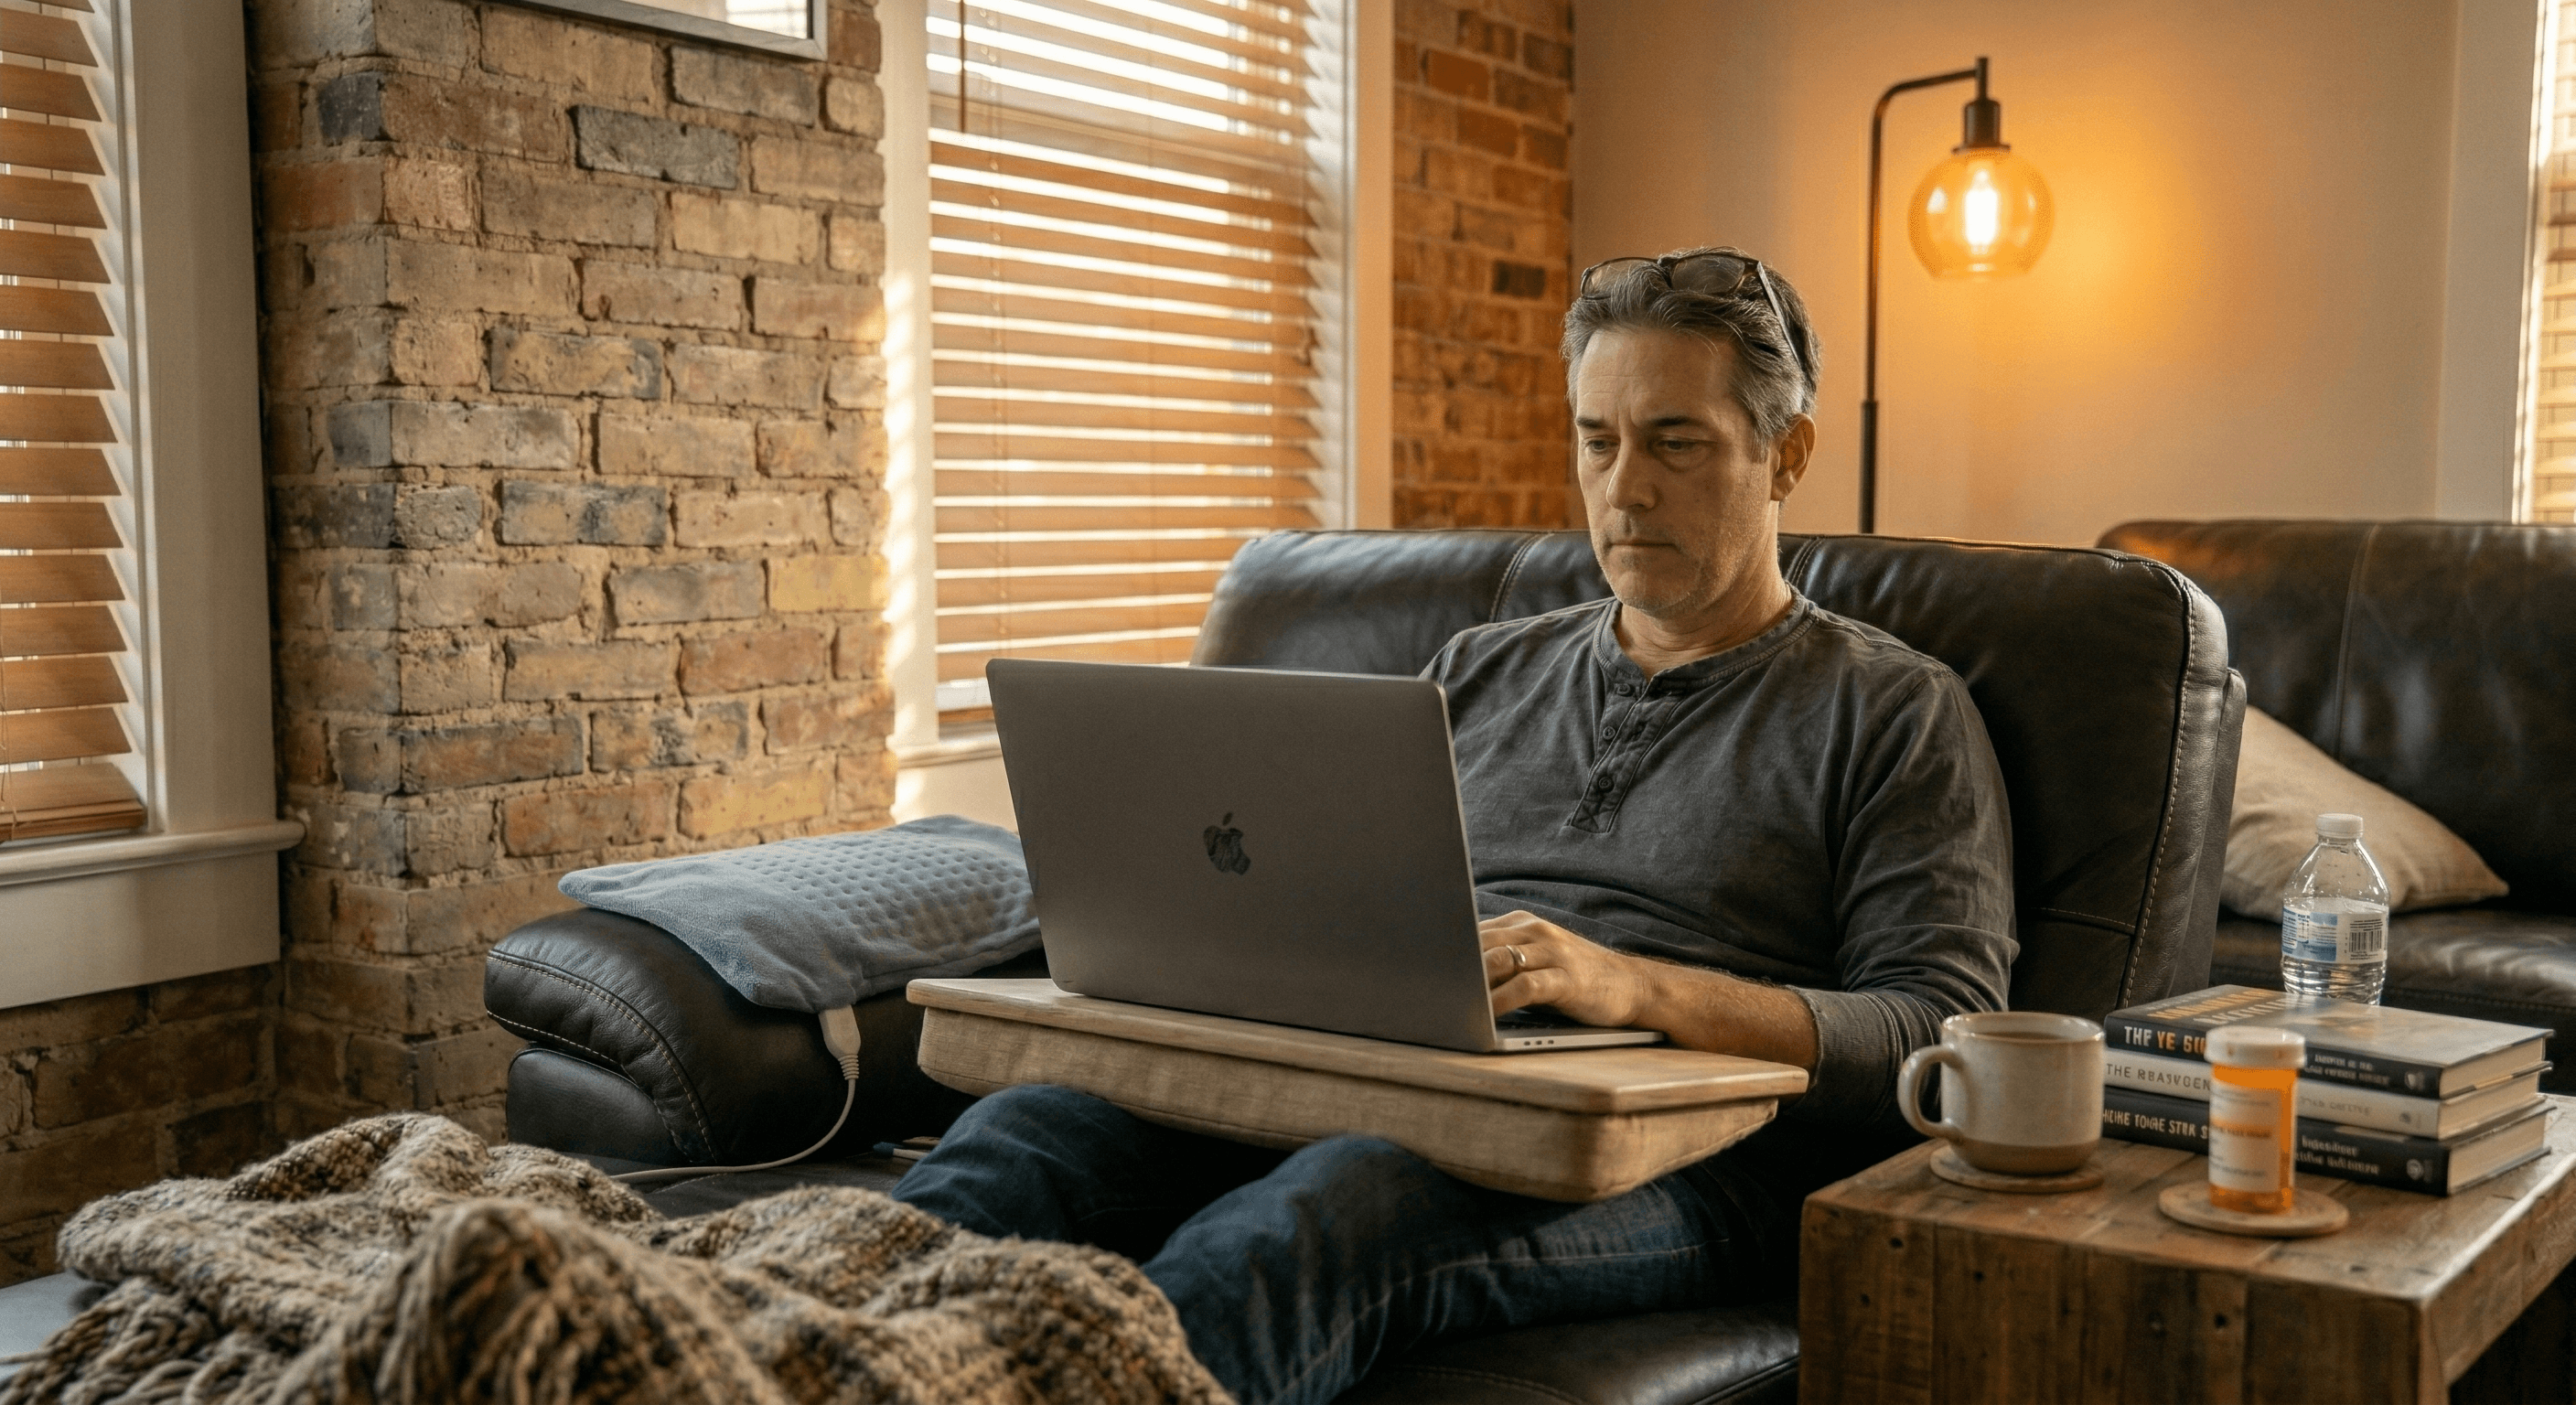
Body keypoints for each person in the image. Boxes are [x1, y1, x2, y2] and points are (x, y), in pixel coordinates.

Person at [893, 249, 2018, 1405]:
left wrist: (1634, 989)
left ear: (1786, 454)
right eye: (1597, 440)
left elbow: (1946, 1031)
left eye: (1675, 442)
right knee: (1023, 1136)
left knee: (1334, 1208)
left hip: (1670, 1164)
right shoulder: (1477, 671)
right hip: (1400, 1087)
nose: (1624, 489)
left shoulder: (1892, 708)